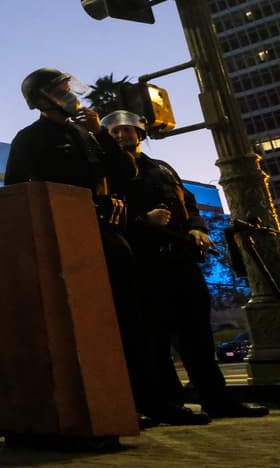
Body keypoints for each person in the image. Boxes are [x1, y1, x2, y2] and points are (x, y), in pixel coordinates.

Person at [5, 68, 206, 427]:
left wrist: (100, 133)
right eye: (59, 91)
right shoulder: (29, 139)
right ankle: (115, 405)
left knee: (132, 322)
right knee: (90, 322)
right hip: (69, 238)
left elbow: (126, 174)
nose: (69, 95)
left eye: (68, 88)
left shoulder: (86, 134)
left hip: (111, 236)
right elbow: (17, 193)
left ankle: (153, 402)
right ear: (40, 100)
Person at [103, 110, 268, 420]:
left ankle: (217, 400)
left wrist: (197, 228)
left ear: (140, 132)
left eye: (126, 129)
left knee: (198, 335)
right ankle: (170, 405)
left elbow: (188, 203)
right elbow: (105, 215)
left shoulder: (162, 168)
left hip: (181, 259)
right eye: (114, 132)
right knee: (156, 339)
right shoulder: (110, 172)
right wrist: (142, 221)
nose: (121, 135)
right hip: (144, 263)